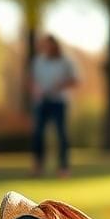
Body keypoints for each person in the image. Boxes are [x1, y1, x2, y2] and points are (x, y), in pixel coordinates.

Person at [29, 34, 79, 175]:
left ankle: (63, 167)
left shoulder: (66, 61)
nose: (46, 47)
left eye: (48, 44)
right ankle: (38, 167)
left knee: (62, 134)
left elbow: (75, 80)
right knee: (38, 134)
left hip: (59, 101)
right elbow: (32, 80)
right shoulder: (38, 61)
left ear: (55, 45)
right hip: (42, 101)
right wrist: (36, 90)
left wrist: (60, 86)